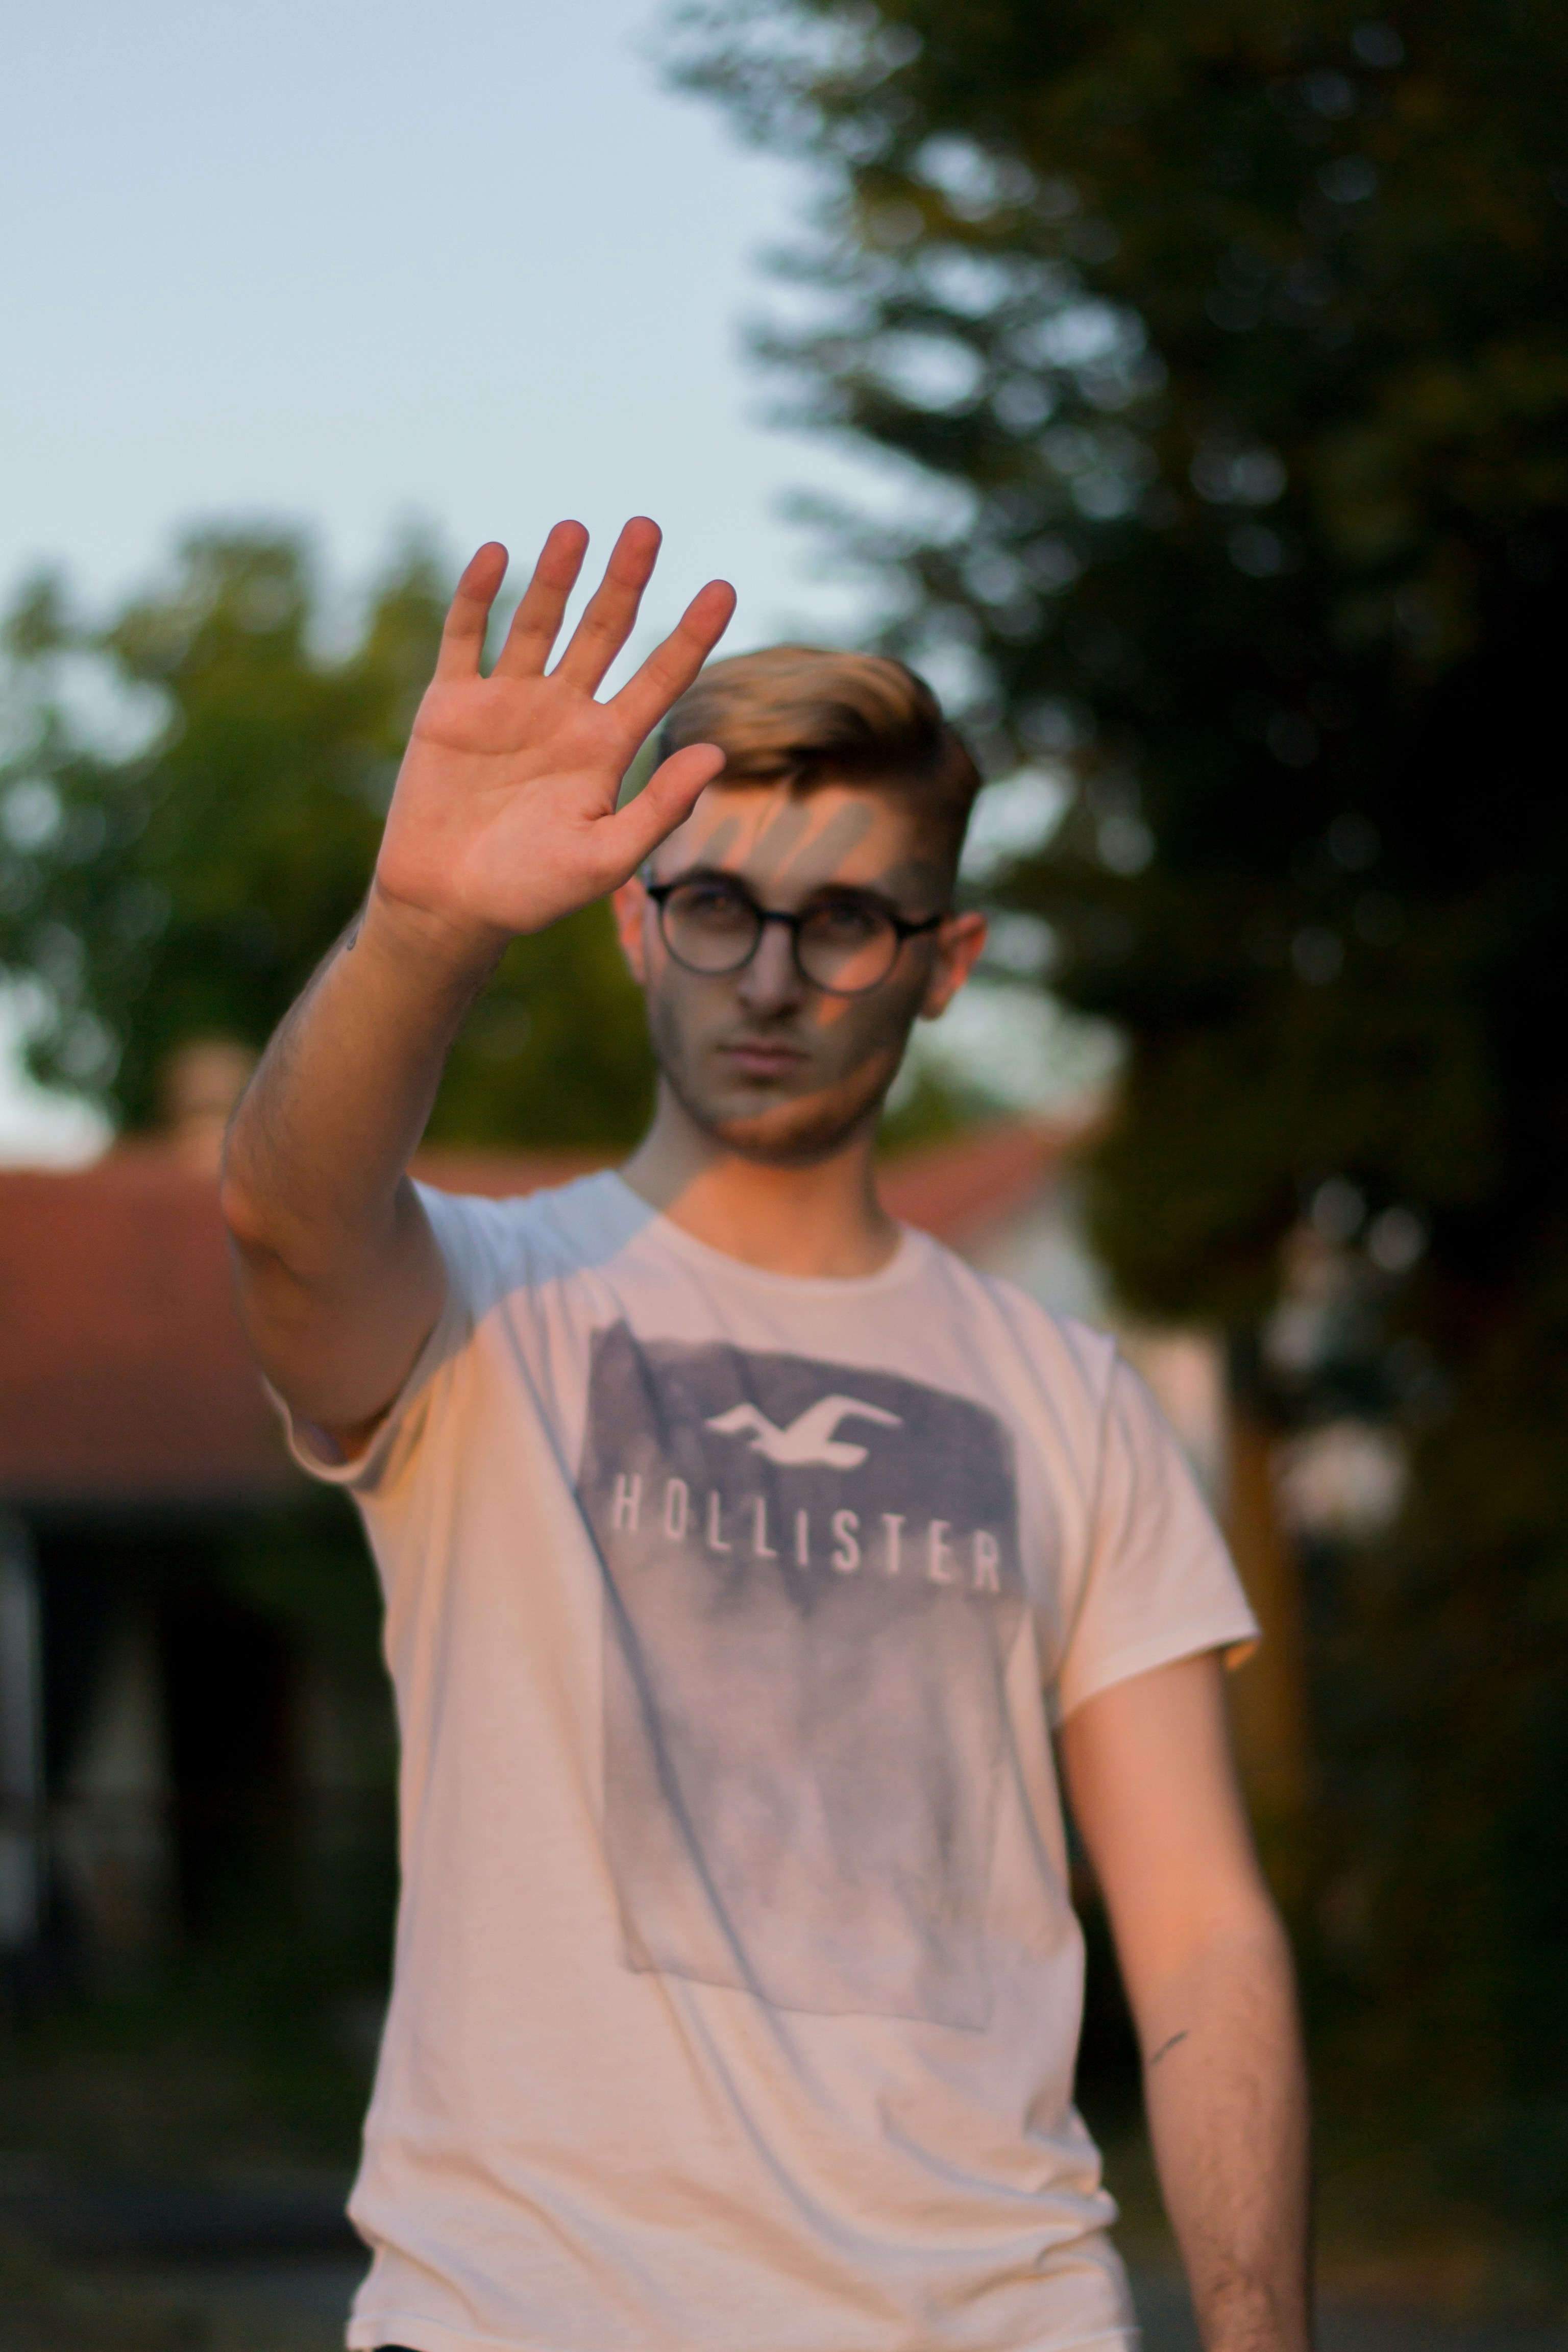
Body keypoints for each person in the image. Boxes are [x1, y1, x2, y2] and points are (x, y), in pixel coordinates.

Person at [222, 518, 1311, 2352]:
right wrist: (419, 932)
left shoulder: (1074, 1402)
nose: (775, 977)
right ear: (639, 921)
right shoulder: (483, 1304)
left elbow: (1200, 1925)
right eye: (718, 905)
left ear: (943, 959)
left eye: (847, 920)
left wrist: (1261, 2329)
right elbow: (282, 1224)